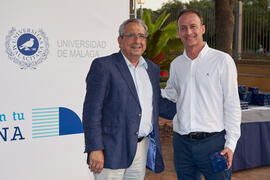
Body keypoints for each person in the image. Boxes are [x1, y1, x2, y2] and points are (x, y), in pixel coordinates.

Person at [82, 19, 175, 180]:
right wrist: (95, 148)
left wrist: (190, 106)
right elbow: (91, 111)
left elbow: (156, 103)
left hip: (141, 148)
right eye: (131, 35)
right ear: (120, 40)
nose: (137, 41)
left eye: (141, 36)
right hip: (111, 150)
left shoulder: (151, 69)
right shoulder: (103, 66)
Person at [161, 9, 241, 180]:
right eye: (183, 28)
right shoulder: (176, 64)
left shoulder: (222, 60)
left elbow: (232, 104)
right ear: (178, 32)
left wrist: (231, 145)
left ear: (203, 29)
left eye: (193, 26)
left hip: (214, 145)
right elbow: (171, 93)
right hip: (182, 145)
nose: (188, 32)